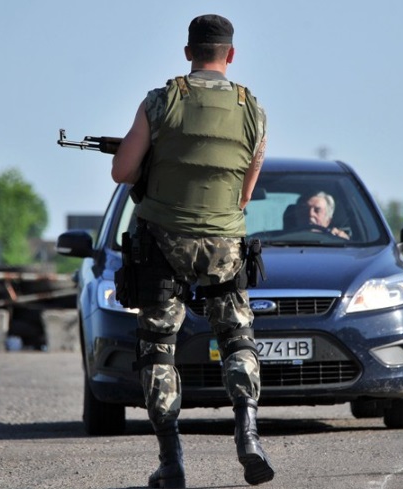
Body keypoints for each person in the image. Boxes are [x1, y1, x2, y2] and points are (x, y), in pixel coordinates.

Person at [110, 14, 273, 488]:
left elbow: (122, 172)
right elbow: (245, 193)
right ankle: (249, 433)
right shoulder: (254, 111)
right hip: (225, 244)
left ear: (188, 53)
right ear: (231, 54)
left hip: (162, 243)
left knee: (159, 350)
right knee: (237, 338)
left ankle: (171, 460)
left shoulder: (161, 101)